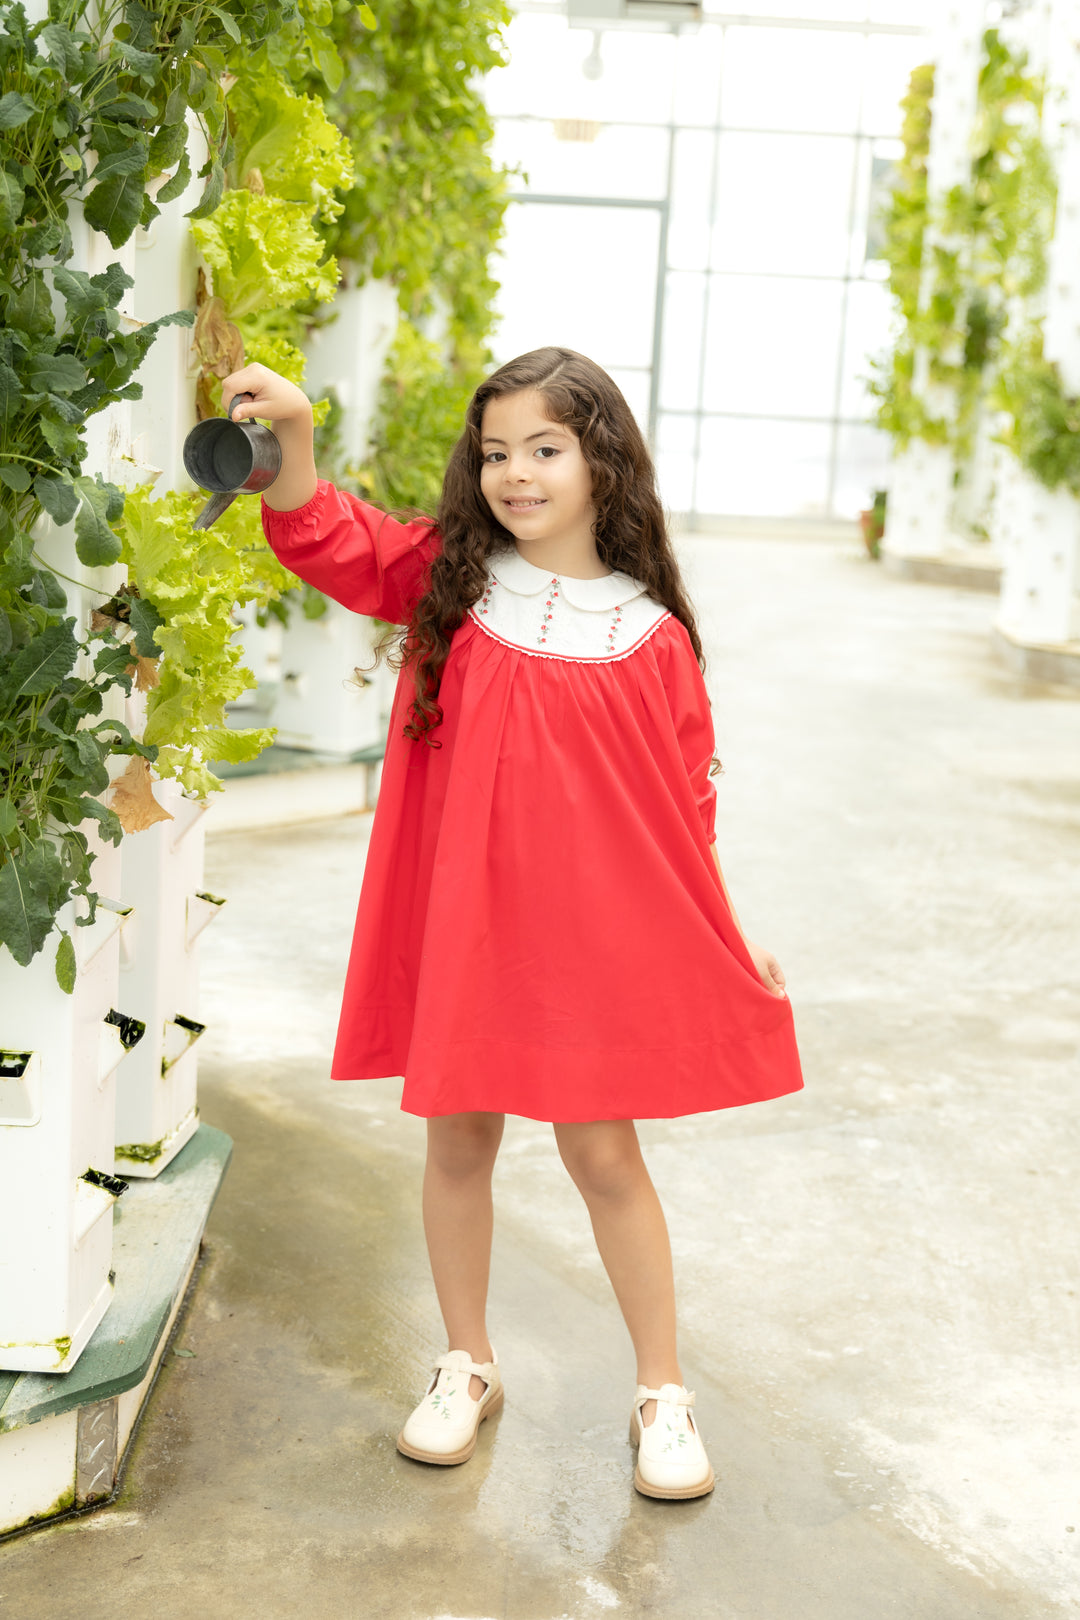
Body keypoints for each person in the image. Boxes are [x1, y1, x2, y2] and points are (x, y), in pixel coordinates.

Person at [222, 347, 804, 1502]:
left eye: (545, 449)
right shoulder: (453, 581)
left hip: (587, 938)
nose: (516, 475)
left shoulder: (652, 636)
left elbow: (690, 797)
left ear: (604, 461)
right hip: (465, 926)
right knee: (459, 1140)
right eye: (496, 453)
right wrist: (290, 435)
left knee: (602, 1153)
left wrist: (731, 924)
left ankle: (661, 1389)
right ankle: (465, 1364)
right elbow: (331, 534)